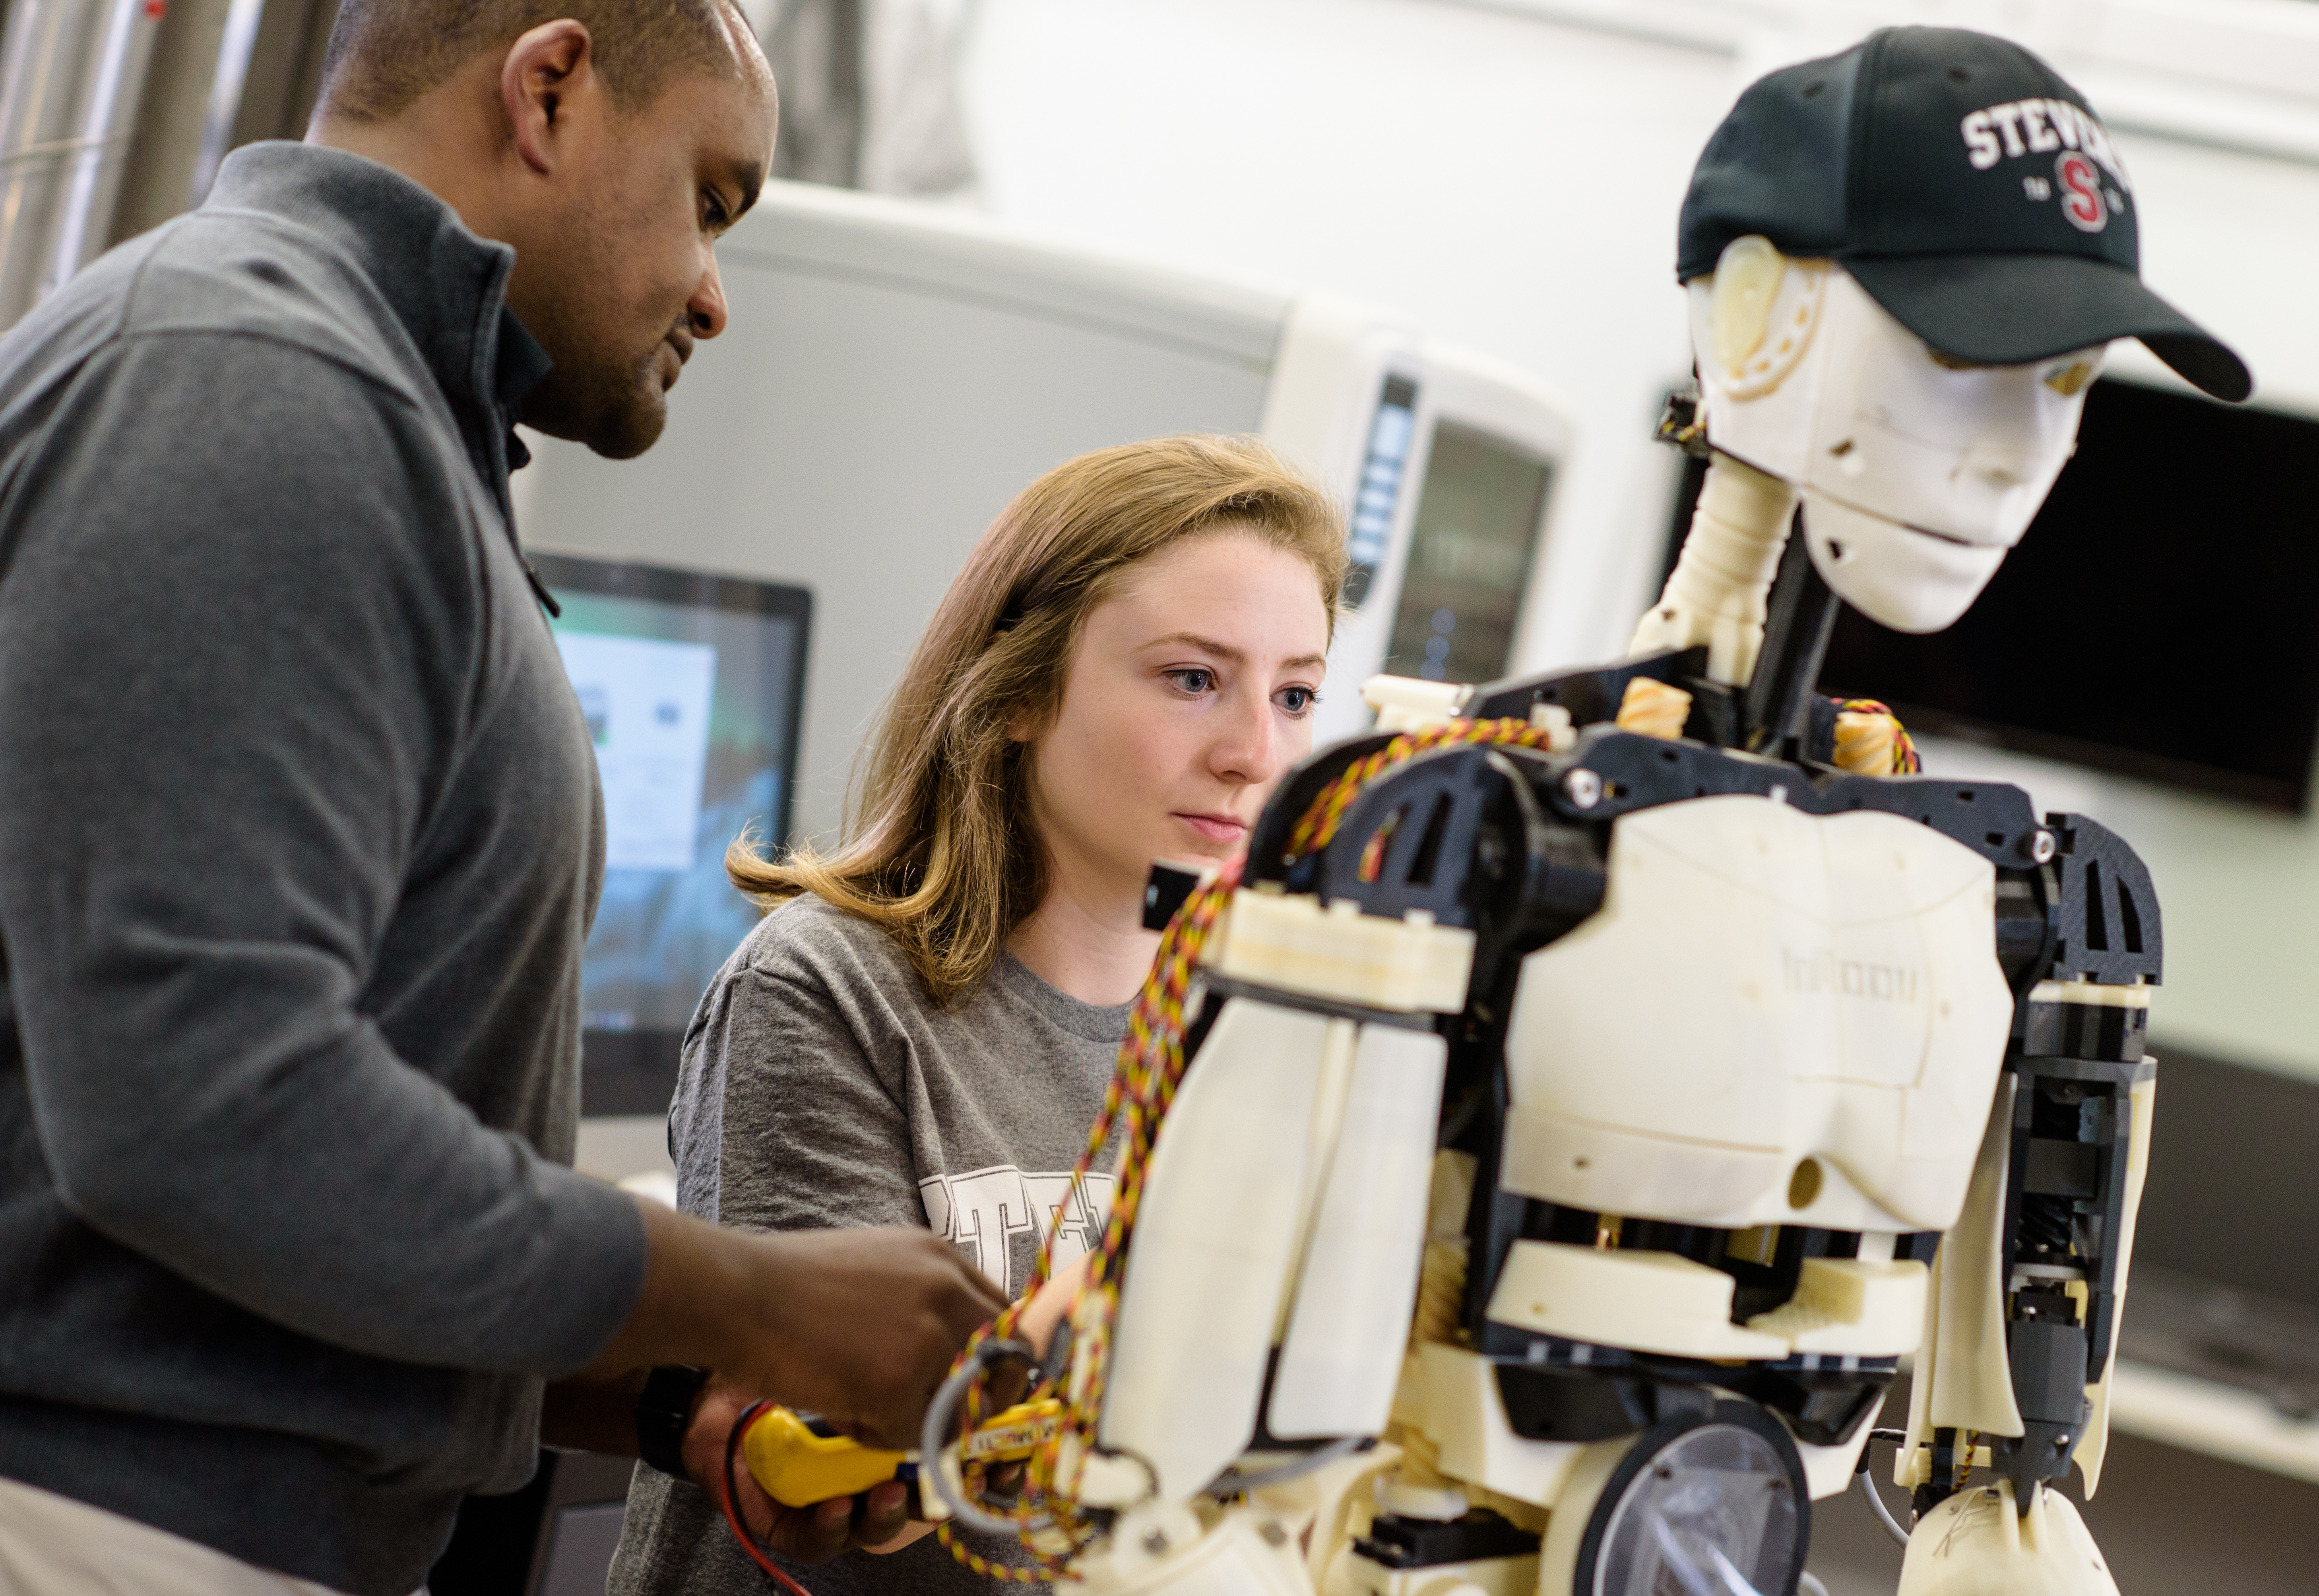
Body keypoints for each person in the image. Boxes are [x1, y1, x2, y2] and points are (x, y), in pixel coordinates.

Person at [0, 5, 1005, 1595]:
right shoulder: (252, 379)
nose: (716, 295)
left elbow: (318, 1212)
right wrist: (756, 1295)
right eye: (710, 200)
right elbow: (201, 1105)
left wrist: (679, 1403)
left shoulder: (376, 423)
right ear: (549, 88)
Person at [606, 435, 1348, 1596]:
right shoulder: (827, 991)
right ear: (1017, 694)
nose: (1257, 752)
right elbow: (847, 1487)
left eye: (1295, 694)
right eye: (1194, 678)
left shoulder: (1264, 1031)